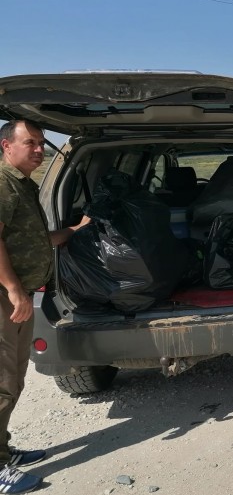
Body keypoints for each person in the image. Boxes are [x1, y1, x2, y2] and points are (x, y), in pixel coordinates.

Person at [0, 120, 89, 493]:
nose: (38, 150)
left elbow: (39, 239)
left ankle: (3, 452)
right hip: (7, 299)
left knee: (14, 378)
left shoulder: (24, 184)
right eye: (29, 143)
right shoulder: (3, 183)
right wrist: (14, 290)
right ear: (7, 146)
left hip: (18, 297)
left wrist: (77, 229)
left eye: (40, 143)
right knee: (3, 382)